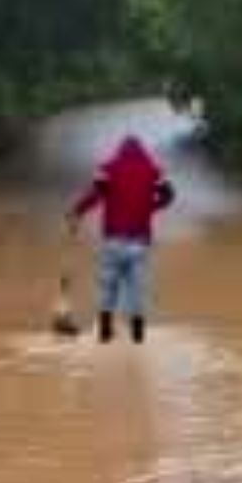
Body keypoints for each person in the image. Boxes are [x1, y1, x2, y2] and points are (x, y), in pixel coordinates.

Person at [69, 135, 176, 344]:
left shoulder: (108, 168)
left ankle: (105, 335)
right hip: (140, 242)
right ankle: (138, 339)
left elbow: (96, 195)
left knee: (108, 289)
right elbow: (169, 196)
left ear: (120, 150)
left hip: (113, 241)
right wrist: (150, 208)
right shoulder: (154, 171)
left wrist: (76, 212)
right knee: (137, 292)